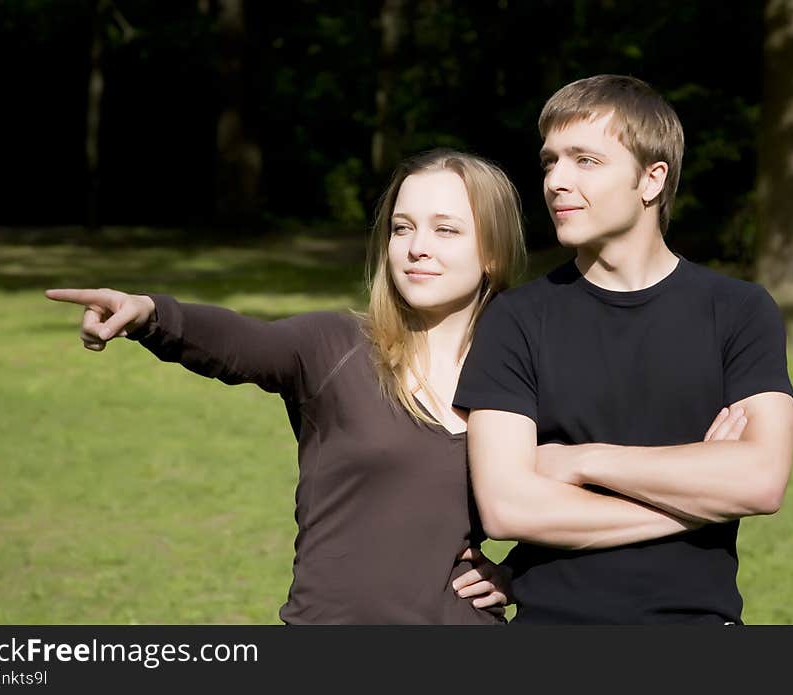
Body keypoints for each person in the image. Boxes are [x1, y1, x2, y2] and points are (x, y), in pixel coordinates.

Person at [46, 148, 527, 625]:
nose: (416, 247)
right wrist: (152, 315)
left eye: (445, 229)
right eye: (402, 228)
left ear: (491, 251)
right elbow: (246, 343)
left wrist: (518, 571)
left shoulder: (525, 375)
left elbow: (586, 496)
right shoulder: (335, 348)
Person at [454, 75, 793, 624]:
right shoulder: (515, 319)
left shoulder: (739, 311)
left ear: (651, 180)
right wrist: (699, 498)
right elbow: (507, 507)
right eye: (550, 161)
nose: (556, 181)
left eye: (585, 160)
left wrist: (578, 461)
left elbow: (761, 479)